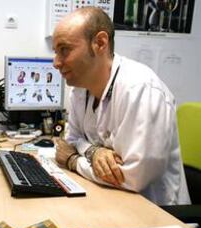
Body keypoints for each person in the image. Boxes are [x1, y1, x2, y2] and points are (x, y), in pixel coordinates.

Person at [53, 7, 190, 206]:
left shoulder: (140, 89)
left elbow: (131, 178)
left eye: (64, 50)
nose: (56, 62)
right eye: (56, 52)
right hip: (107, 198)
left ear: (100, 43)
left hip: (156, 215)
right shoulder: (80, 90)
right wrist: (93, 152)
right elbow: (71, 140)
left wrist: (74, 161)